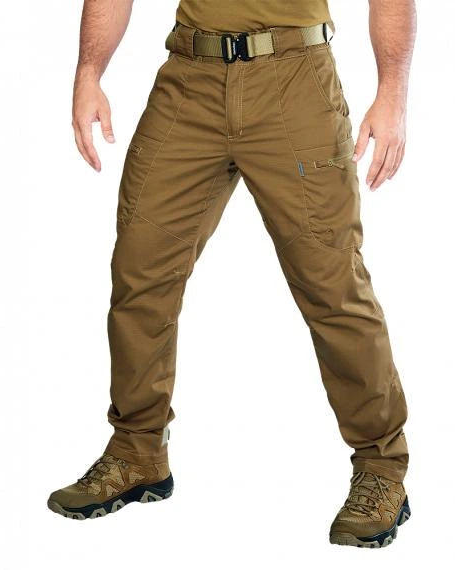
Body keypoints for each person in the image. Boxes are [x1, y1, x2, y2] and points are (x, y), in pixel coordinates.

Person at [48, 0, 417, 548]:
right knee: (139, 271)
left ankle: (381, 466)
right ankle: (137, 450)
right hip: (189, 80)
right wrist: (88, 73)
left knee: (331, 284)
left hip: (294, 77)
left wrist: (392, 95)